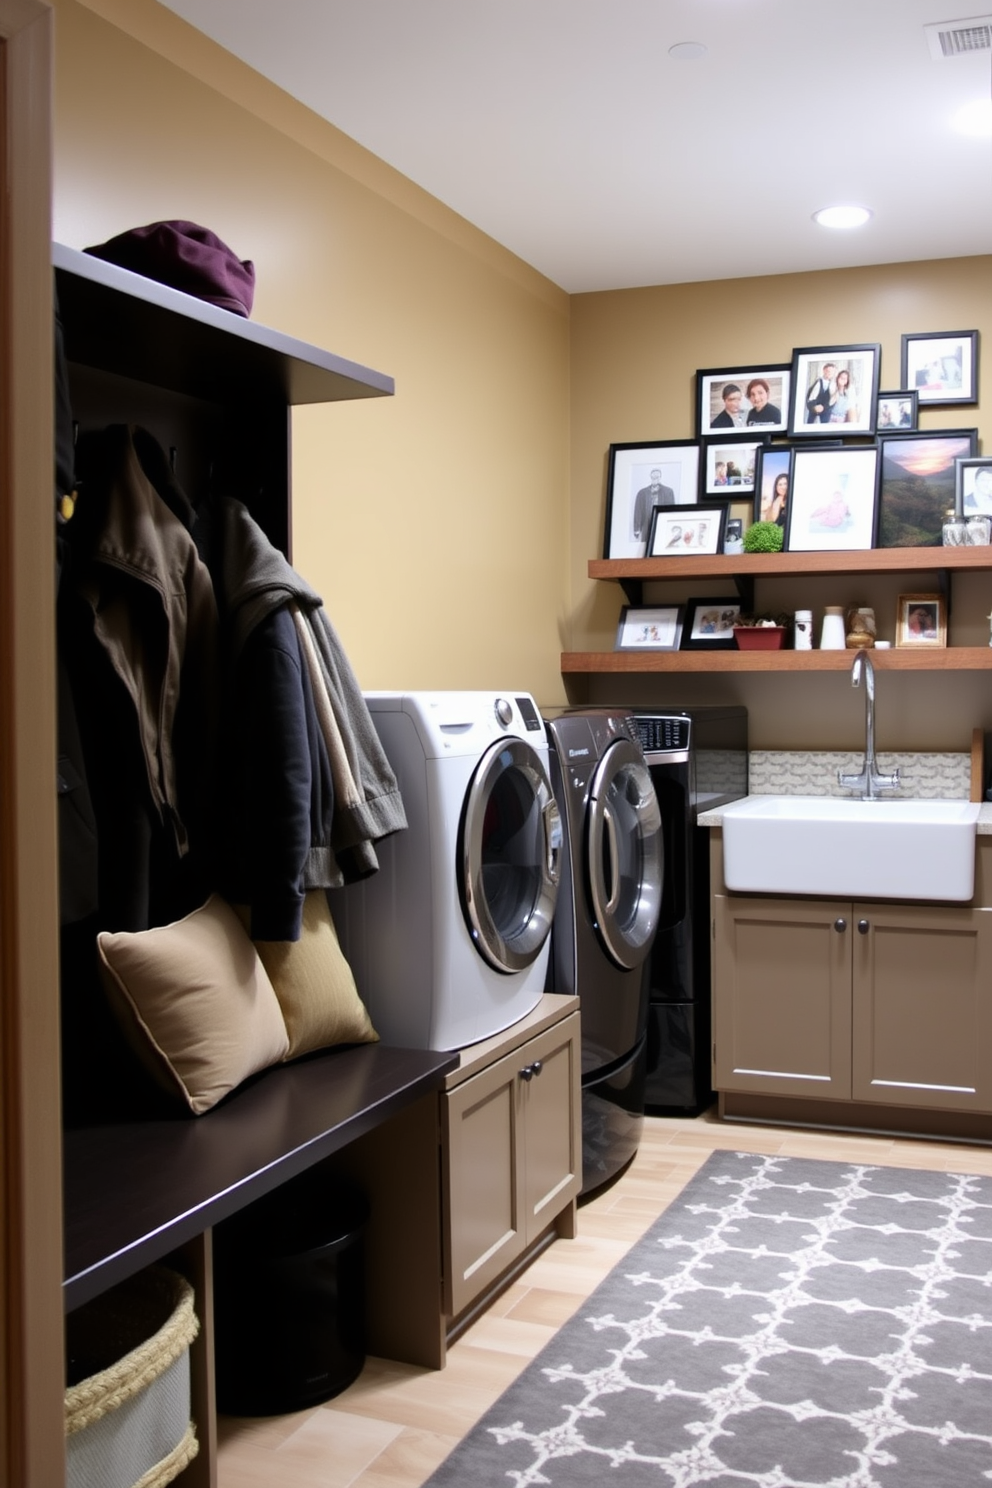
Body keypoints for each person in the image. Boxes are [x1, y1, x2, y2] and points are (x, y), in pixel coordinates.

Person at [632, 468, 675, 542]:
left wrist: (671, 526)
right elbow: (638, 511)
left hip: (662, 524)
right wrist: (637, 529)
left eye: (657, 477)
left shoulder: (668, 492)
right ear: (650, 477)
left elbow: (671, 511)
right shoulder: (642, 493)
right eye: (653, 477)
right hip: (646, 525)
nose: (655, 479)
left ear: (660, 477)